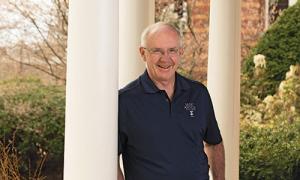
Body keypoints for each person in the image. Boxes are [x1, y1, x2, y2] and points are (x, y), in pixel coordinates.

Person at [118, 22, 225, 180]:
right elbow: (109, 158)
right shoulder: (124, 101)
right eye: (157, 51)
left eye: (172, 50)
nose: (165, 58)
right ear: (142, 53)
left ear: (181, 52)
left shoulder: (198, 93)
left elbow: (214, 143)